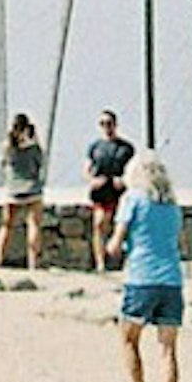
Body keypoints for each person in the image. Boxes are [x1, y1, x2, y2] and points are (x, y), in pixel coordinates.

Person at [115, 151, 186, 382]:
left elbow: (117, 238)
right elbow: (182, 243)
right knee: (168, 349)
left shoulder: (132, 200)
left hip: (141, 277)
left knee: (129, 338)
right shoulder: (172, 206)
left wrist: (118, 247)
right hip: (171, 280)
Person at [0, 112, 49, 269]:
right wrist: (34, 138)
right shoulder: (34, 147)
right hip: (32, 188)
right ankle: (33, 262)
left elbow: (3, 164)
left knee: (6, 226)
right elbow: (40, 163)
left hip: (13, 189)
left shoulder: (6, 147)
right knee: (34, 225)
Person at [80, 110, 135, 267]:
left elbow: (134, 170)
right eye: (103, 124)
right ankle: (100, 262)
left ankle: (121, 259)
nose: (106, 127)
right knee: (99, 224)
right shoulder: (95, 147)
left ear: (115, 124)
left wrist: (124, 180)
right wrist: (92, 180)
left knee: (121, 225)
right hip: (101, 190)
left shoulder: (126, 148)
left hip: (119, 191)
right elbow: (86, 169)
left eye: (109, 123)